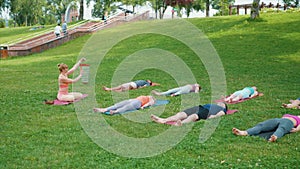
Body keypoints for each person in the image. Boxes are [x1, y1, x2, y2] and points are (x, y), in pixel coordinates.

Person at [232, 114, 300, 142]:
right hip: (278, 119)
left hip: (289, 122)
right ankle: (244, 132)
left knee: (282, 129)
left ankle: (275, 137)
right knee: (262, 125)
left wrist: (297, 129)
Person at [151, 102, 228, 126]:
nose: (219, 102)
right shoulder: (212, 104)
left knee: (194, 116)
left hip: (207, 111)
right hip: (199, 107)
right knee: (181, 114)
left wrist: (213, 116)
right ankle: (163, 120)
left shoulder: (222, 109)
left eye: (222, 103)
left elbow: (221, 114)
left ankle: (181, 123)